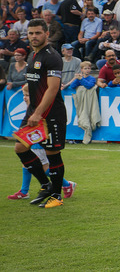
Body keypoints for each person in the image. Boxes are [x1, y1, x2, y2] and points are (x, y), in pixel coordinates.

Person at [13, 19, 68, 208]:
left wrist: (37, 113)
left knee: (52, 152)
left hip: (50, 112)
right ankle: (46, 185)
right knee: (20, 148)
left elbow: (52, 89)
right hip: (34, 111)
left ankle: (57, 196)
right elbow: (39, 80)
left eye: (38, 33)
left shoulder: (52, 56)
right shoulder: (32, 55)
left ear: (46, 33)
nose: (34, 36)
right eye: (31, 33)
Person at [7, 84, 76, 201]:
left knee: (43, 168)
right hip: (33, 141)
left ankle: (66, 184)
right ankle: (24, 191)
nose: (25, 98)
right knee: (27, 164)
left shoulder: (40, 107)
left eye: (27, 95)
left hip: (39, 141)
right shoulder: (31, 106)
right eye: (24, 95)